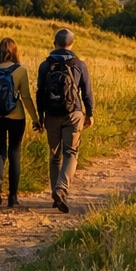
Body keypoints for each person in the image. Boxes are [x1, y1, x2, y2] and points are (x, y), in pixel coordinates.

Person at [38, 27, 94, 213]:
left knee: (54, 155)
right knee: (70, 153)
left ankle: (55, 194)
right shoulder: (79, 64)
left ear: (55, 43)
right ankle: (61, 189)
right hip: (73, 113)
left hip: (51, 115)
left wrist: (40, 116)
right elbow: (86, 92)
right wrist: (90, 113)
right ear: (72, 44)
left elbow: (40, 93)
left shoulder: (45, 65)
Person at [0, 37, 39, 208]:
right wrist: (35, 119)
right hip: (16, 116)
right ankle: (13, 197)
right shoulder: (20, 70)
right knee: (14, 153)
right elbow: (26, 97)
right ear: (15, 52)